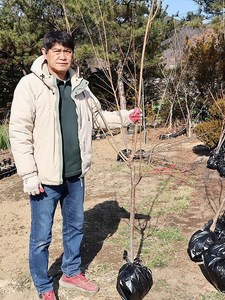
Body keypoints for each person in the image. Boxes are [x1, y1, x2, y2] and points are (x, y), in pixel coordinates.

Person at [9, 30, 140, 300]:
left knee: (75, 227)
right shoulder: (30, 85)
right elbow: (19, 132)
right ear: (45, 54)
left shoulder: (80, 86)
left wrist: (128, 116)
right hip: (44, 177)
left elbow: (99, 118)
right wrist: (29, 174)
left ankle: (70, 272)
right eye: (56, 50)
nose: (62, 56)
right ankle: (44, 286)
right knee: (41, 237)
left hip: (75, 174)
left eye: (67, 51)